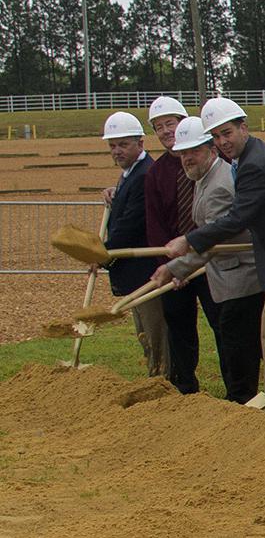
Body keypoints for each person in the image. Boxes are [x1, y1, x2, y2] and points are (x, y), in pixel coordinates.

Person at [162, 98, 265, 415]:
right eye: (217, 136)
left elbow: (238, 218)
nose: (223, 142)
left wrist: (189, 241)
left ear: (243, 128)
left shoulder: (255, 164)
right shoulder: (249, 157)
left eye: (228, 133)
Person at [153, 118, 262, 401]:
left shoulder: (219, 186)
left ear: (212, 150)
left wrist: (175, 267)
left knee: (238, 346)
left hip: (241, 278)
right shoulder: (203, 177)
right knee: (236, 343)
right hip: (225, 276)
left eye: (195, 151)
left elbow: (212, 241)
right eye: (183, 153)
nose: (187, 158)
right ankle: (242, 398)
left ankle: (241, 401)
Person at [141, 95, 208, 394]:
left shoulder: (210, 160)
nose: (166, 131)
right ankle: (185, 386)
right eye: (159, 127)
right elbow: (154, 224)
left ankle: (238, 388)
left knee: (225, 325)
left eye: (170, 123)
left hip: (211, 258)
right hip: (175, 267)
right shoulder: (156, 173)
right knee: (179, 329)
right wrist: (168, 267)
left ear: (183, 122)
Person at [97, 112, 166, 376]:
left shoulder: (145, 174)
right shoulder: (130, 174)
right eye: (112, 146)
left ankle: (162, 379)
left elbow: (131, 224)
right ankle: (155, 374)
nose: (117, 151)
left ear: (140, 143)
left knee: (155, 330)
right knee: (144, 333)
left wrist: (102, 254)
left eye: (123, 144)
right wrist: (116, 193)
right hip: (134, 271)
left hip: (146, 270)